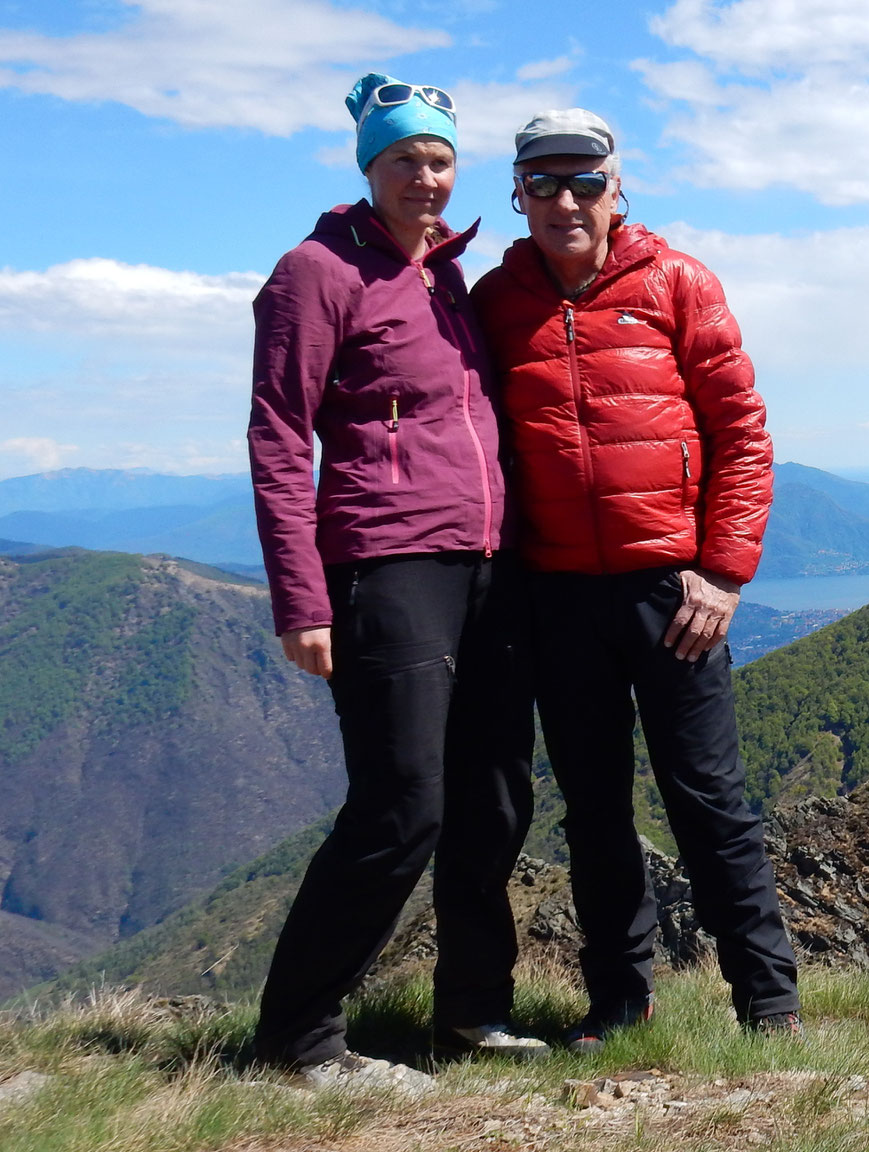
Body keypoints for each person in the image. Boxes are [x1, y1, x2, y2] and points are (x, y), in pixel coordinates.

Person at [472, 109, 800, 1051]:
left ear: (619, 191)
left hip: (674, 592)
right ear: (519, 197)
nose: (565, 199)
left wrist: (724, 571)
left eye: (585, 182)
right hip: (557, 593)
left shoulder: (678, 282)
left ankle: (769, 1007)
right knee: (595, 810)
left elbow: (741, 433)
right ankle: (619, 1003)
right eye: (543, 183)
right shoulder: (499, 300)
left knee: (709, 799)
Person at [246, 72, 544, 1075]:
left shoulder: (441, 274)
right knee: (399, 805)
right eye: (404, 159)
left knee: (494, 798)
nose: (424, 176)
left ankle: (469, 1013)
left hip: (487, 569)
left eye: (439, 158)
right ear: (368, 166)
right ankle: (297, 1040)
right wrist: (301, 599)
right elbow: (280, 439)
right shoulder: (315, 272)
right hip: (386, 562)